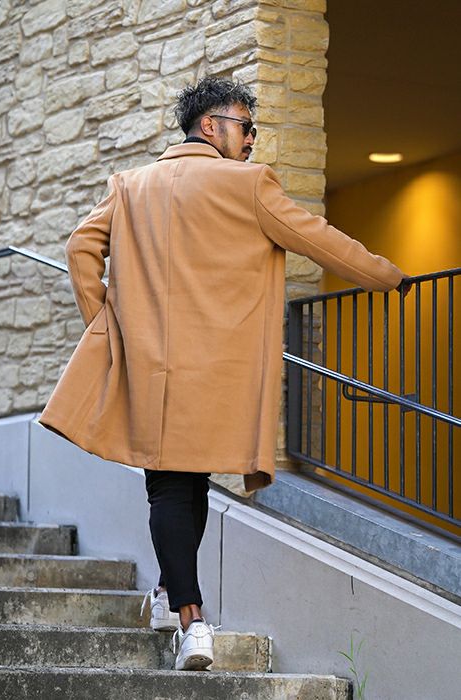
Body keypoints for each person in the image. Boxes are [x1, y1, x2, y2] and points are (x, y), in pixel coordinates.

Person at [39, 76, 409, 671]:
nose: (252, 139)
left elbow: (81, 247)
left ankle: (170, 595)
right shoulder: (250, 185)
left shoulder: (129, 185)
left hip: (151, 369)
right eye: (245, 126)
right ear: (209, 126)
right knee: (183, 485)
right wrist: (387, 276)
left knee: (176, 484)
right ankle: (193, 621)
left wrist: (105, 325)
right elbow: (317, 239)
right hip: (216, 373)